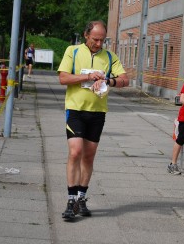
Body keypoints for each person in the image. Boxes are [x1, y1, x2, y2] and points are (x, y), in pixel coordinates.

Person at [58, 20, 129, 220]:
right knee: (75, 152)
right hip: (75, 110)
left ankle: (82, 197)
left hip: (97, 112)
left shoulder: (109, 56)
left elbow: (125, 80)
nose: (99, 43)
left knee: (88, 156)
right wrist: (87, 76)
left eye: (102, 40)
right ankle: (71, 200)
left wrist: (108, 80)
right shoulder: (72, 51)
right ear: (86, 35)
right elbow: (63, 78)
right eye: (95, 39)